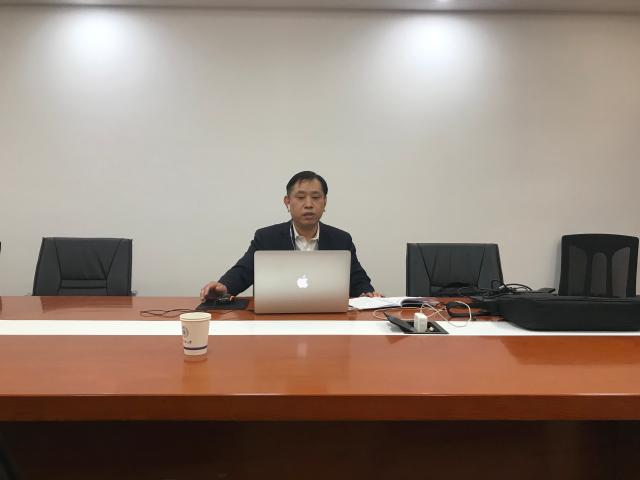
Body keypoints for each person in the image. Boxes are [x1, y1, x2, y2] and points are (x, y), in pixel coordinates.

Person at [200, 171, 380, 300]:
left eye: (316, 197)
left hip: (329, 318)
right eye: (300, 197)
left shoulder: (341, 239)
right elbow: (243, 271)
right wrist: (224, 286)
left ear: (325, 202)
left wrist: (367, 294)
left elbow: (358, 280)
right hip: (278, 317)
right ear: (287, 202)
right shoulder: (266, 237)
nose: (308, 204)